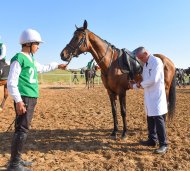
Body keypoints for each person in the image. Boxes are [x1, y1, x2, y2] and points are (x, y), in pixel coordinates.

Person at [7, 29, 67, 171]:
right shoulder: (19, 58)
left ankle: (17, 160)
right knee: (21, 130)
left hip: (30, 98)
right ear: (28, 43)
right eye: (37, 44)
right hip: (25, 98)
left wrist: (57, 65)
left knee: (22, 129)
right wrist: (19, 101)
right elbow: (11, 82)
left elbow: (42, 68)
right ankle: (14, 164)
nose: (38, 46)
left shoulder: (31, 59)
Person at [129, 47, 168, 154]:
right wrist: (136, 82)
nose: (140, 60)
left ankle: (163, 144)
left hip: (156, 96)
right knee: (150, 117)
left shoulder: (156, 61)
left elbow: (153, 79)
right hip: (149, 96)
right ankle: (152, 140)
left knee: (159, 119)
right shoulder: (145, 64)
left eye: (141, 57)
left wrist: (137, 85)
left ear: (146, 53)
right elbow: (144, 78)